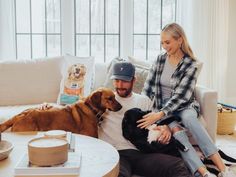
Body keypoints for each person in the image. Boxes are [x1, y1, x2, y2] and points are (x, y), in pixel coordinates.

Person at [137, 23, 236, 177]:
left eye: (167, 42)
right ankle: (203, 173)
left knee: (190, 118)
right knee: (177, 133)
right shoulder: (159, 60)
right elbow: (148, 88)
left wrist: (160, 115)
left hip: (183, 105)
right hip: (162, 107)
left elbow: (182, 96)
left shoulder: (191, 64)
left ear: (180, 40)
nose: (164, 46)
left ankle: (223, 168)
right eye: (162, 42)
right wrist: (146, 109)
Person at [98, 61, 192, 177]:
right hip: (116, 153)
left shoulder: (144, 101)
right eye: (117, 80)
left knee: (177, 166)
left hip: (142, 154)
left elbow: (157, 125)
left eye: (125, 81)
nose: (120, 85)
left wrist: (165, 129)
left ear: (134, 80)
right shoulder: (105, 100)